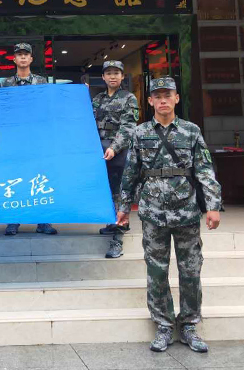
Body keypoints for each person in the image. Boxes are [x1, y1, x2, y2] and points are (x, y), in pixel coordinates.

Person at [117, 77, 222, 354]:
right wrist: (124, 207)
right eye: (157, 96)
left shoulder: (191, 131)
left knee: (190, 270)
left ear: (177, 98)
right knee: (156, 271)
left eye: (168, 95)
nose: (163, 100)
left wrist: (213, 205)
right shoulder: (140, 133)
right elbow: (130, 172)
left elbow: (204, 170)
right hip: (153, 212)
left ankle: (189, 325)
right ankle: (163, 325)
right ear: (150, 101)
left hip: (186, 211)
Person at [0, 42, 57, 236]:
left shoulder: (42, 82)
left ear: (31, 59)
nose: (23, 57)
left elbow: (49, 108)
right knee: (14, 178)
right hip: (14, 141)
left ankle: (43, 220)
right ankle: (13, 220)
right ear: (14, 59)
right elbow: (0, 111)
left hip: (37, 140)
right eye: (19, 54)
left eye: (26, 54)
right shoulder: (5, 84)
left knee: (39, 177)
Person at [92, 60, 139, 259]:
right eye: (109, 73)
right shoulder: (98, 99)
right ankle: (112, 223)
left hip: (119, 151)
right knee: (106, 191)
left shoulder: (129, 98)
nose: (112, 76)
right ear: (103, 77)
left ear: (122, 76)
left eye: (116, 73)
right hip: (100, 150)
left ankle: (117, 239)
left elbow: (128, 127)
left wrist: (114, 147)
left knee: (121, 193)